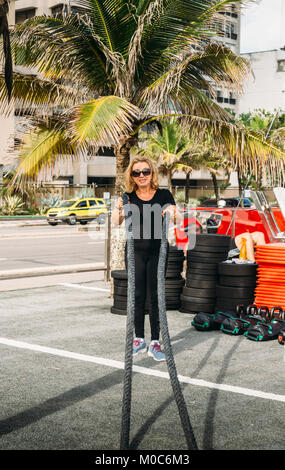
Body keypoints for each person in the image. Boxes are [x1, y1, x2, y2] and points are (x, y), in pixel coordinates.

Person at [112, 156, 180, 361]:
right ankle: (139, 339)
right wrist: (118, 208)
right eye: (136, 172)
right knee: (138, 295)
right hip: (135, 253)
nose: (141, 176)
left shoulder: (164, 194)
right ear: (132, 176)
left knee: (156, 295)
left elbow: (177, 216)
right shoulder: (128, 197)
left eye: (145, 172)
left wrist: (172, 210)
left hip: (158, 251)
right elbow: (116, 222)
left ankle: (156, 342)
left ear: (152, 174)